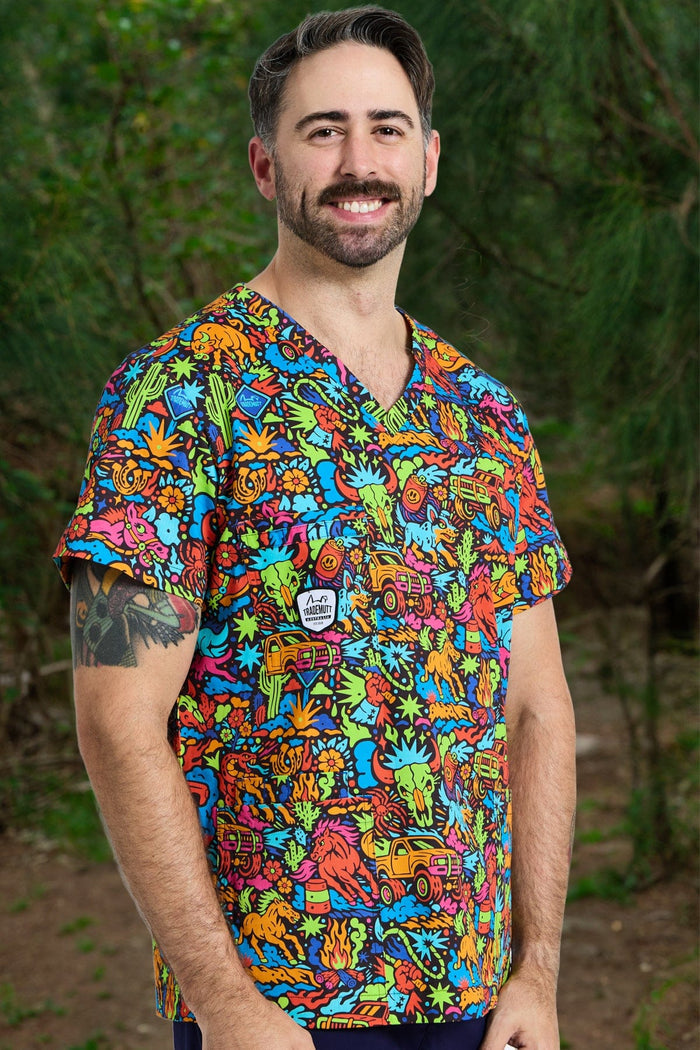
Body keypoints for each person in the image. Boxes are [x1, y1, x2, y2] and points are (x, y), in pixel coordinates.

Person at [55, 7, 576, 1050]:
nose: (358, 163)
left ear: (428, 162)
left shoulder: (483, 414)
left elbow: (538, 707)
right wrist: (226, 1003)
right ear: (265, 164)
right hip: (280, 1009)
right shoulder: (174, 393)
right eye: (322, 130)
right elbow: (117, 720)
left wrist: (537, 975)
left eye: (387, 129)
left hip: (476, 1002)